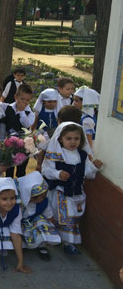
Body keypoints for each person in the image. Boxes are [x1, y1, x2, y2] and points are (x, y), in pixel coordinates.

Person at [42, 122, 102, 255]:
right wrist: (58, 174)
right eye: (69, 138)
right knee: (66, 216)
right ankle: (68, 243)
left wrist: (95, 167)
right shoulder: (56, 154)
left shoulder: (82, 155)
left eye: (76, 138)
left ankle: (64, 240)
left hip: (76, 192)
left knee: (73, 216)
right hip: (61, 191)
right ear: (60, 139)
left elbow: (87, 172)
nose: (73, 142)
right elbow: (46, 169)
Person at [0, 178, 30, 279]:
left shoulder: (16, 210)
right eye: (4, 199)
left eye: (12, 198)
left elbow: (16, 235)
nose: (9, 203)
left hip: (3, 226)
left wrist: (20, 263)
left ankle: (18, 263)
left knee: (13, 235)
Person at [16, 171, 61, 261]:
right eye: (42, 196)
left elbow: (49, 216)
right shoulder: (19, 204)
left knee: (42, 221)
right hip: (19, 225)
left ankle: (41, 246)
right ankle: (20, 246)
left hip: (33, 223)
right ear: (32, 196)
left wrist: (53, 232)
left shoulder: (44, 202)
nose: (45, 197)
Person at [35, 105, 83, 172]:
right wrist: (39, 165)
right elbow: (42, 151)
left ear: (59, 121)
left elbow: (42, 150)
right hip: (53, 169)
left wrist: (39, 165)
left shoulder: (51, 134)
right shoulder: (51, 134)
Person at [4, 84, 35, 178]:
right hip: (10, 144)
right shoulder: (8, 108)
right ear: (16, 97)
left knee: (21, 169)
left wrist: (22, 112)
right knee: (9, 168)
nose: (24, 102)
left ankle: (20, 186)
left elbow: (26, 124)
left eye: (27, 100)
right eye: (22, 99)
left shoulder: (30, 113)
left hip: (24, 145)